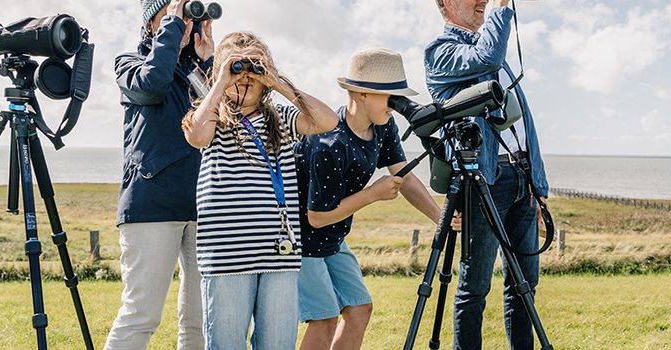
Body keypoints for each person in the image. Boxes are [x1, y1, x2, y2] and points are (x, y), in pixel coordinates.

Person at [181, 31, 338, 349]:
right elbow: (197, 135)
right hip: (226, 260)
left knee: (277, 345)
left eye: (254, 68)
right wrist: (220, 81)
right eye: (237, 67)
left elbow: (328, 121)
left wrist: (278, 81)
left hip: (279, 258)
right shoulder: (211, 116)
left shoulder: (281, 118)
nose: (245, 76)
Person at [295, 48, 447, 350]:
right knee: (324, 318)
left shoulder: (383, 126)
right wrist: (372, 195)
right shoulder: (329, 142)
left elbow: (405, 177)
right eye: (390, 96)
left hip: (333, 237)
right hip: (301, 239)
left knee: (359, 308)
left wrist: (441, 218)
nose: (395, 105)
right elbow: (316, 216)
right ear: (361, 93)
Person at [426, 0, 550, 348]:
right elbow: (487, 58)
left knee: (526, 283)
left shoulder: (496, 54)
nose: (482, 1)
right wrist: (501, 9)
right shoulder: (441, 52)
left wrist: (538, 184)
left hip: (520, 178)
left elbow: (524, 126)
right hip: (483, 181)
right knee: (475, 287)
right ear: (447, 3)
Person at [105, 0, 214, 349]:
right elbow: (152, 85)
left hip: (203, 204)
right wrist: (169, 32)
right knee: (141, 316)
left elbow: (226, 115)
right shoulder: (129, 63)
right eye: (173, 14)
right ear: (153, 21)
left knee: (201, 320)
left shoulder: (197, 72)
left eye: (186, 17)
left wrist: (209, 62)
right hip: (152, 204)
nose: (183, 22)